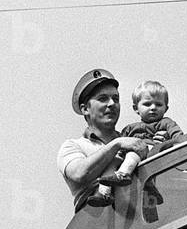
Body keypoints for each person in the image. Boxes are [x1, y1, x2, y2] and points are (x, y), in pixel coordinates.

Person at [57, 69, 149, 209]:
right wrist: (116, 145)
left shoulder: (132, 140)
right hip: (98, 224)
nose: (111, 104)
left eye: (116, 99)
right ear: (85, 109)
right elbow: (80, 173)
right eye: (102, 99)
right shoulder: (73, 146)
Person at [104, 80, 185, 185]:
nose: (153, 108)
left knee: (134, 154)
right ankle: (103, 191)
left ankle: (123, 175)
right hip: (134, 164)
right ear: (136, 108)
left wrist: (170, 144)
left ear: (166, 108)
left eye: (159, 104)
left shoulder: (166, 123)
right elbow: (119, 145)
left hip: (152, 154)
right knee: (113, 161)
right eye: (147, 104)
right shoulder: (130, 128)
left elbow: (179, 138)